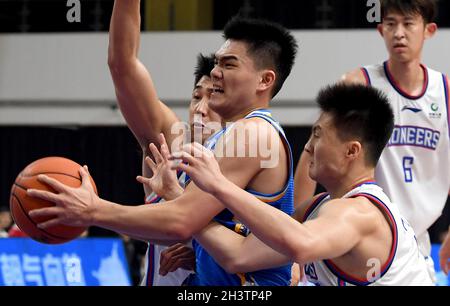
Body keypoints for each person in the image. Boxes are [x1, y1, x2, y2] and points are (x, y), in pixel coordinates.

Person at [27, 17, 298, 286]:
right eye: (217, 63)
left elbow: (181, 223)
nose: (216, 72)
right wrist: (179, 206)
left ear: (264, 80)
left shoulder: (252, 133)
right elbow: (191, 228)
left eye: (229, 64)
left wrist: (94, 210)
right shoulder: (214, 142)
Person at [171, 84, 433, 286]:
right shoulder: (318, 209)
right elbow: (238, 256)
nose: (308, 146)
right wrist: (177, 197)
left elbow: (300, 244)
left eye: (318, 134)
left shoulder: (360, 213)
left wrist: (218, 184)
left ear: (351, 151)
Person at [294, 0, 450, 281]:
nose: (399, 33)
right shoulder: (358, 83)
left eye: (408, 23)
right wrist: (296, 227)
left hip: (415, 242)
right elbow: (311, 151)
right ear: (381, 30)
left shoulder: (446, 92)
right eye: (390, 24)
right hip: (360, 236)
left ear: (429, 30)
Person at [107, 0, 221, 286]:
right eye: (197, 96)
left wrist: (204, 254)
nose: (201, 108)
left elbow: (269, 254)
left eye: (214, 97)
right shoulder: (172, 142)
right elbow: (122, 64)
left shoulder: (251, 156)